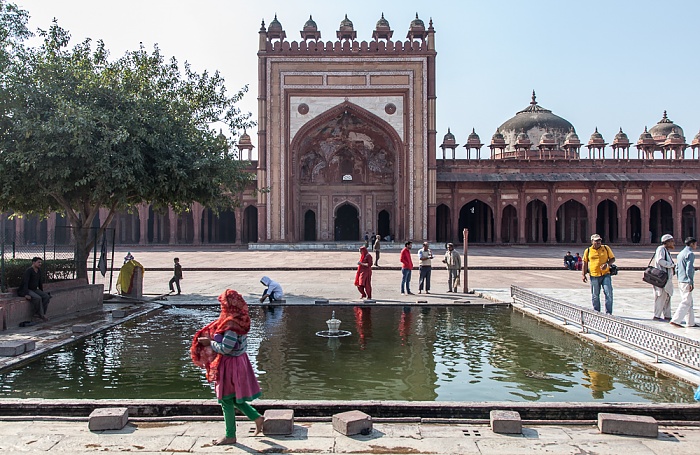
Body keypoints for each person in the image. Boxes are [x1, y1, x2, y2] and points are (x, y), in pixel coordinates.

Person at [191, 289, 264, 445]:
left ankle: (230, 435)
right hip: (240, 361)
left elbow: (226, 348)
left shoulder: (231, 325)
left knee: (225, 399)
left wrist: (209, 343)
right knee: (233, 397)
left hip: (231, 365)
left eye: (223, 304)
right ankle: (257, 418)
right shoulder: (242, 318)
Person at [582, 234, 615, 314]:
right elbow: (585, 262)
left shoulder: (606, 248)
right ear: (592, 241)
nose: (598, 242)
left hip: (605, 274)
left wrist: (607, 264)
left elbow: (612, 258)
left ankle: (609, 313)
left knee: (608, 293)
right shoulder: (588, 251)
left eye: (599, 240)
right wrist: (583, 274)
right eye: (596, 241)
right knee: (595, 295)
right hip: (594, 275)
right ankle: (597, 312)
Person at [671, 237, 697, 328]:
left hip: (681, 280)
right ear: (692, 244)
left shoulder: (681, 254)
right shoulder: (690, 254)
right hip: (686, 280)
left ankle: (690, 322)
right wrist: (690, 281)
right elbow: (689, 269)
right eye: (695, 244)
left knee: (689, 301)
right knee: (686, 301)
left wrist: (679, 278)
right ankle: (676, 320)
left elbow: (677, 268)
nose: (696, 246)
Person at [17, 257, 51, 321]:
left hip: (35, 289)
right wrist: (26, 294)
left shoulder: (39, 271)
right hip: (28, 289)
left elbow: (40, 282)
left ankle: (41, 313)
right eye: (38, 262)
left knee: (46, 296)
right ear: (33, 262)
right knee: (38, 298)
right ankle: (40, 315)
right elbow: (25, 282)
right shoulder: (29, 271)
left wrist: (41, 291)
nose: (40, 264)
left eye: (41, 262)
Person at [653, 234, 676, 321]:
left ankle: (667, 315)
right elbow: (660, 260)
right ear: (667, 242)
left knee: (667, 296)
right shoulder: (661, 249)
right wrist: (671, 265)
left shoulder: (665, 250)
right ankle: (657, 315)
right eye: (672, 241)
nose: (673, 243)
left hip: (666, 278)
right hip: (661, 278)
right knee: (661, 297)